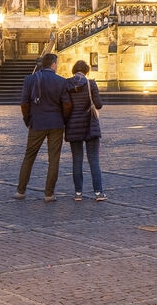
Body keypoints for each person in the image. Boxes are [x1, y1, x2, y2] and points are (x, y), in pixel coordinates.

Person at [15, 52, 70, 201]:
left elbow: (24, 103)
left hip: (37, 122)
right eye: (56, 64)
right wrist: (64, 119)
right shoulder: (61, 81)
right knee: (54, 159)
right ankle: (49, 194)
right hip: (56, 123)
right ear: (53, 64)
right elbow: (66, 104)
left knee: (29, 156)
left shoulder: (30, 79)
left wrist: (28, 119)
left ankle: (21, 191)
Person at [64, 59, 105, 201]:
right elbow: (98, 104)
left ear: (74, 70)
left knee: (77, 159)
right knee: (93, 159)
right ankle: (98, 193)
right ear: (86, 71)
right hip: (89, 125)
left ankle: (78, 193)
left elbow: (65, 106)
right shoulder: (91, 83)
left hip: (73, 126)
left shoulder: (67, 84)